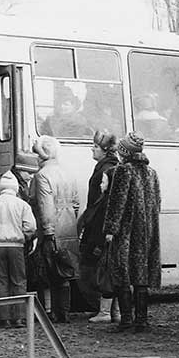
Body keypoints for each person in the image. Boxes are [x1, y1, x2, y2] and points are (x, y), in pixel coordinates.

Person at [103, 131, 161, 332]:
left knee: (122, 273)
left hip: (126, 231)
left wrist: (111, 229)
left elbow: (117, 203)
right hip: (147, 231)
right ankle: (142, 319)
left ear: (124, 152)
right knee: (141, 274)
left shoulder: (123, 170)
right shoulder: (151, 172)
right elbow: (157, 203)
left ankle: (126, 319)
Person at [29, 135, 80, 322]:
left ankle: (54, 312)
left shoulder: (42, 175)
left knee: (50, 272)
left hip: (51, 228)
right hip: (69, 226)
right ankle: (64, 312)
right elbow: (76, 203)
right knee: (65, 270)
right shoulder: (68, 172)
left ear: (41, 156)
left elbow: (45, 205)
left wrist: (48, 230)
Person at [0, 171, 37, 328]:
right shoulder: (23, 205)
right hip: (16, 246)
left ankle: (5, 318)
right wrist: (24, 236)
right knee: (18, 281)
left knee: (1, 281)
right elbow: (30, 227)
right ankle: (19, 317)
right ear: (16, 188)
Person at [77, 130, 120, 322]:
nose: (91, 150)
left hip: (100, 225)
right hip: (102, 224)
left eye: (94, 147)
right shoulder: (109, 166)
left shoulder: (105, 169)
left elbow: (101, 202)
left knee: (100, 266)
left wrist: (87, 221)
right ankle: (113, 311)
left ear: (103, 150)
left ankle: (105, 311)